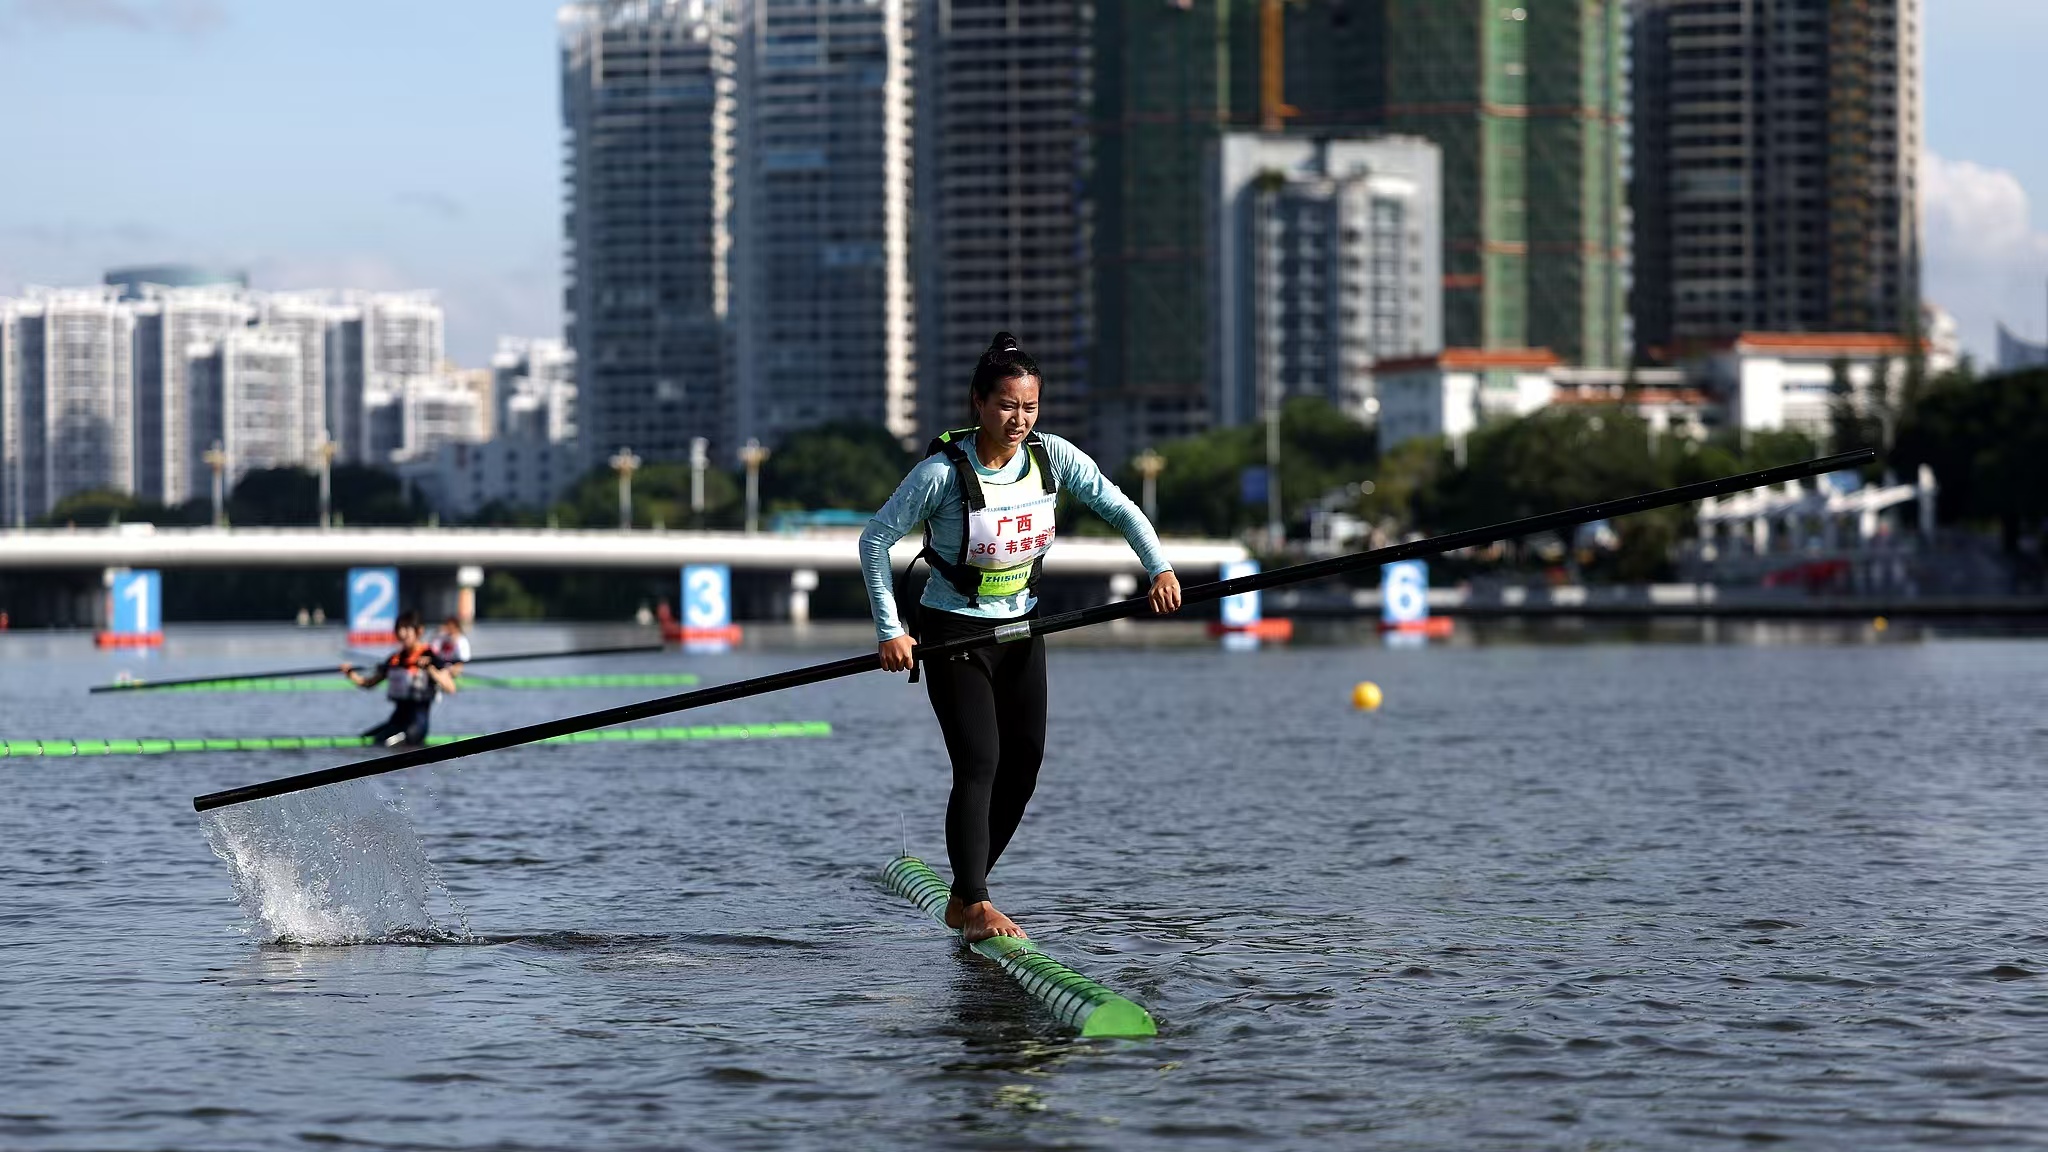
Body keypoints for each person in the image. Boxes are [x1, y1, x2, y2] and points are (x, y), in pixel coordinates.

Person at [859, 332, 1182, 942]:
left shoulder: (1053, 456)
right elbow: (875, 541)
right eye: (1007, 405)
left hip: (1023, 628)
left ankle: (963, 892)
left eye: (1029, 407)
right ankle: (977, 902)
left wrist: (1158, 567)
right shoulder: (940, 474)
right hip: (954, 632)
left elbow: (1120, 508)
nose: (1018, 419)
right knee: (980, 761)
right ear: (978, 402)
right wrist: (890, 628)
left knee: (1025, 764)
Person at [343, 610, 459, 746]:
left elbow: (451, 688)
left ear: (419, 631)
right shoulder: (395, 659)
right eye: (399, 628)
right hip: (396, 721)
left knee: (385, 744)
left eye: (406, 628)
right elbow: (369, 683)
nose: (401, 633)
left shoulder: (430, 656)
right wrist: (350, 674)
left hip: (417, 725)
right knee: (364, 742)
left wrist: (430, 668)